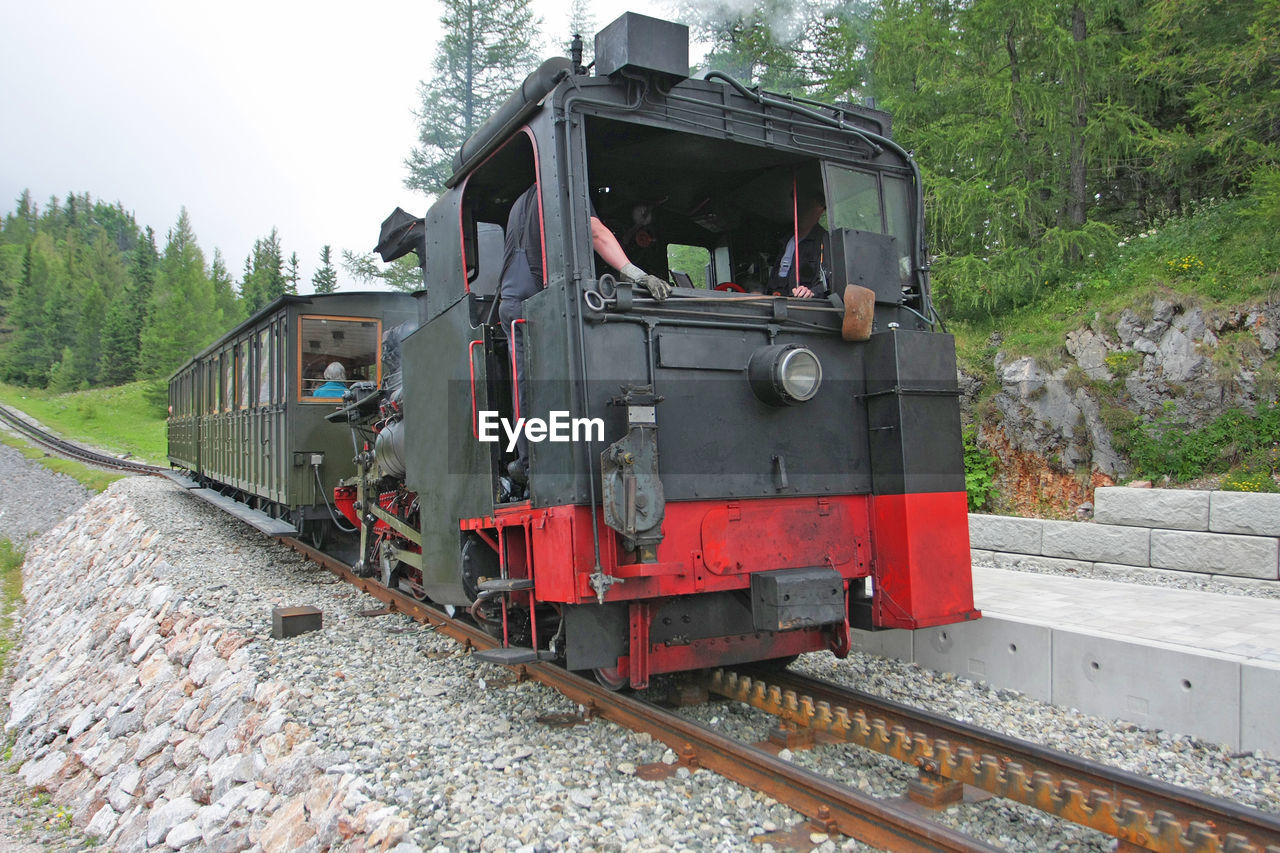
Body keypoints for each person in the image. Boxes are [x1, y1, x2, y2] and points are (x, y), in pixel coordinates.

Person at [499, 184, 671, 486]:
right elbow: (595, 232)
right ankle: (540, 468)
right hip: (533, 302)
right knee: (545, 383)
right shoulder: (562, 183)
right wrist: (636, 273)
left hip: (516, 299)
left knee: (527, 385)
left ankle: (530, 465)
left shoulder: (521, 200)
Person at [770, 194, 831, 298]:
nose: (803, 210)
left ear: (821, 210)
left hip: (803, 308)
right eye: (800, 205)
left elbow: (831, 281)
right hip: (774, 306)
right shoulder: (785, 240)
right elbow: (773, 280)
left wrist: (811, 292)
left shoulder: (826, 241)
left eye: (809, 206)